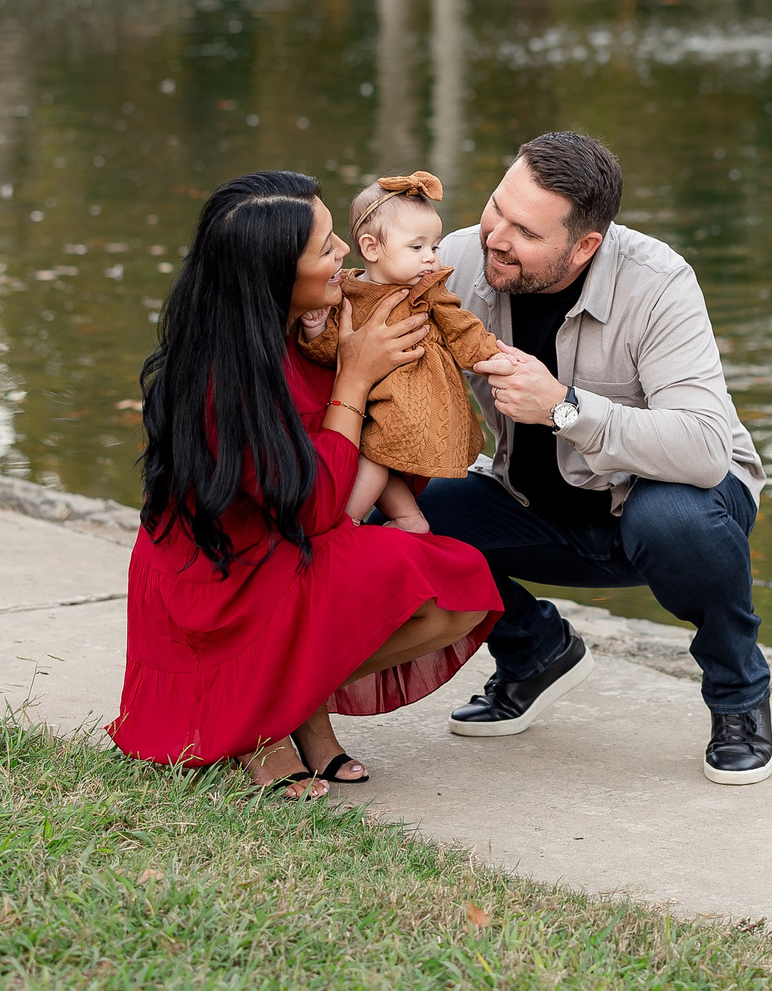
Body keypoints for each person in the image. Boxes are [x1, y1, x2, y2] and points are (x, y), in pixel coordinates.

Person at [108, 170, 502, 794]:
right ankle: (260, 719)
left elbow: (382, 440)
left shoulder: (314, 324)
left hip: (292, 548)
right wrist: (354, 378)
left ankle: (290, 702)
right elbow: (318, 507)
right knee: (433, 588)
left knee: (458, 594)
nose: (346, 249)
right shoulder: (222, 375)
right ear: (273, 277)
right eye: (325, 247)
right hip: (221, 580)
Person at [420, 132, 772, 785]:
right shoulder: (455, 262)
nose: (495, 235)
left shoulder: (659, 282)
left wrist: (565, 407)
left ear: (584, 246)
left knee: (673, 520)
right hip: (530, 504)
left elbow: (704, 448)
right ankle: (534, 652)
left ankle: (739, 692)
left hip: (667, 505)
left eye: (525, 231)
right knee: (393, 520)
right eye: (497, 206)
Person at [294, 171, 503, 535]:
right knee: (375, 454)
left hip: (416, 399)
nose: (431, 259)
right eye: (417, 247)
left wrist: (492, 357)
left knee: (374, 452)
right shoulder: (346, 293)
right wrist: (315, 330)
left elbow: (461, 327)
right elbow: (338, 353)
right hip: (383, 399)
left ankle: (345, 523)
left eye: (434, 247)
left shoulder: (427, 291)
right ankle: (410, 519)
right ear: (372, 248)